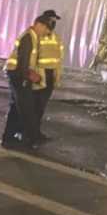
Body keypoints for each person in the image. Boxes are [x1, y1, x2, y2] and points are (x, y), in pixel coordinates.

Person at [1, 15, 53, 148]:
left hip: (17, 74)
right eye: (46, 29)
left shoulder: (33, 37)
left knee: (16, 107)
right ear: (39, 25)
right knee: (26, 108)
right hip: (18, 75)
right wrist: (28, 77)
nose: (46, 32)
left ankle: (8, 138)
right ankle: (31, 139)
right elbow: (23, 61)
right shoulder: (28, 38)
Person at [37, 10, 64, 141]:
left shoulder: (56, 38)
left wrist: (56, 77)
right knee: (34, 106)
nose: (54, 23)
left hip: (50, 75)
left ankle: (35, 132)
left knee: (41, 106)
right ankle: (29, 132)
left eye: (55, 21)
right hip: (38, 74)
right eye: (52, 20)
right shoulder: (37, 36)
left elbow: (58, 59)